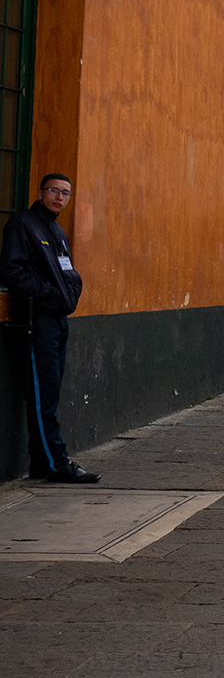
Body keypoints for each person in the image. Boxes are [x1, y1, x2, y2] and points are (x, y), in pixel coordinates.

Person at [0, 173, 99, 483]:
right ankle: (57, 462)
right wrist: (51, 295)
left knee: (50, 392)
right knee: (44, 394)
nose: (59, 197)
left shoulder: (56, 230)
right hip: (37, 321)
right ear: (41, 192)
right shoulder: (23, 225)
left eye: (65, 193)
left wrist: (71, 291)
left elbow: (67, 271)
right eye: (54, 190)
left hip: (58, 320)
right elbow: (13, 274)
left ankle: (41, 463)